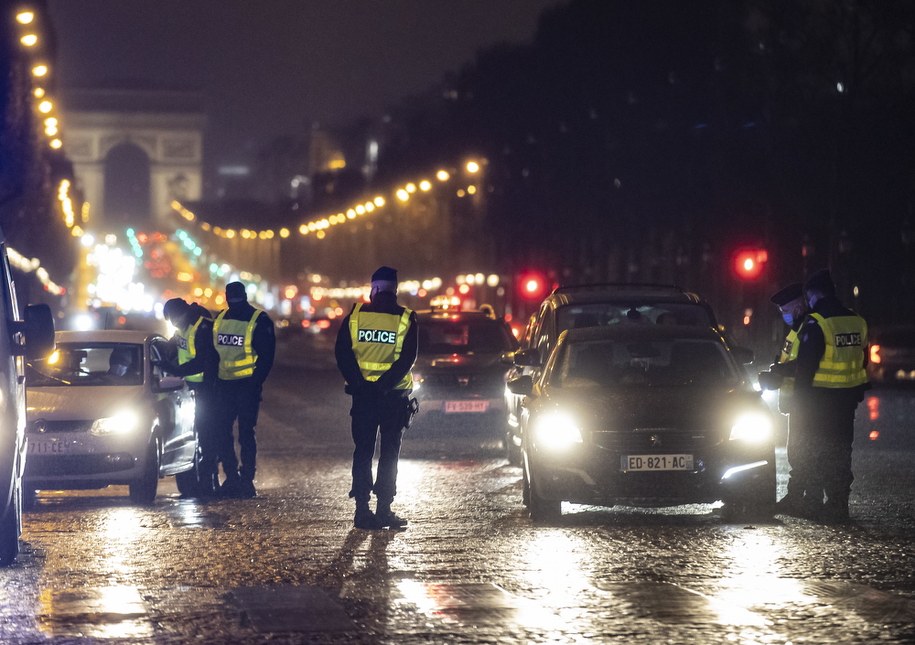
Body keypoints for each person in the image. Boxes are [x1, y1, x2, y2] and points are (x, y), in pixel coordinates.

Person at [335, 266, 418, 530]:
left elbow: (342, 354)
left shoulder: (356, 316)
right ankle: (384, 510)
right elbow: (408, 359)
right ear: (395, 289)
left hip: (363, 398)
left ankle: (362, 511)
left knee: (363, 452)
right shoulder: (406, 318)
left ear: (374, 289)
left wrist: (362, 384)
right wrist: (383, 385)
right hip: (394, 398)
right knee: (390, 453)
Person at [793, 269, 868, 522]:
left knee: (817, 451)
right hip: (846, 403)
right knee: (841, 451)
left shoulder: (817, 322)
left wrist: (799, 401)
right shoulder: (856, 320)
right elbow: (862, 360)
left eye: (808, 296)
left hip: (819, 402)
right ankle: (838, 504)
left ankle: (815, 504)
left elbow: (806, 367)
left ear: (814, 294)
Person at [212, 281, 275, 499]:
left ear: (227, 296)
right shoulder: (259, 319)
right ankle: (245, 480)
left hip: (231, 387)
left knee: (226, 433)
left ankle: (234, 478)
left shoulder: (220, 319)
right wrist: (256, 382)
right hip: (243, 386)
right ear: (245, 295)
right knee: (246, 434)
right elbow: (267, 357)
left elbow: (212, 355)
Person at [757, 282, 816, 517]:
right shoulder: (796, 330)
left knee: (803, 453)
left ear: (799, 306)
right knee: (798, 452)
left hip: (807, 400)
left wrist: (781, 372)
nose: (784, 315)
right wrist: (777, 372)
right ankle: (799, 498)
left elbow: (806, 363)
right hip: (797, 401)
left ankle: (801, 499)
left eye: (786, 310)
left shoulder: (809, 328)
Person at [160, 297, 221, 497]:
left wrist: (176, 370)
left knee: (207, 437)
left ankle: (208, 485)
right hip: (191, 388)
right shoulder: (182, 327)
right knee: (201, 436)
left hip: (207, 389)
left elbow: (204, 361)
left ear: (182, 314)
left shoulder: (203, 328)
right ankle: (204, 484)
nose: (174, 324)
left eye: (174, 320)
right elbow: (173, 345)